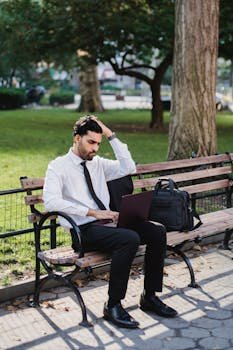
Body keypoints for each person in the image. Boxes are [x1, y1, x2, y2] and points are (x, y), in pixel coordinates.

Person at [43, 115, 177, 329]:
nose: (95, 148)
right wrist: (93, 213)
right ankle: (113, 304)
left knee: (157, 232)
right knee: (129, 239)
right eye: (91, 142)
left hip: (110, 225)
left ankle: (149, 296)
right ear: (77, 138)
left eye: (98, 143)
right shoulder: (58, 166)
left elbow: (128, 167)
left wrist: (111, 135)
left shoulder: (98, 164)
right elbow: (50, 201)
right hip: (83, 231)